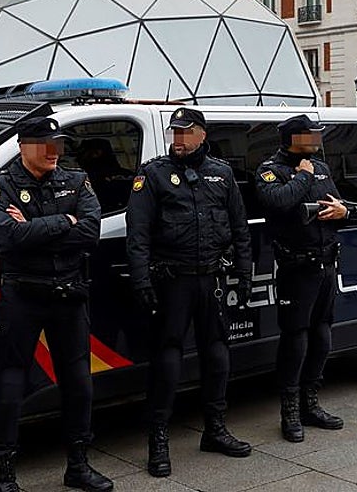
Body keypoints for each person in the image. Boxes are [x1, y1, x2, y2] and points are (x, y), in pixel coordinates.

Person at [0, 116, 112, 492]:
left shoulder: (75, 181)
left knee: (78, 384)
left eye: (57, 144)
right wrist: (64, 221)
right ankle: (4, 477)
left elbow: (90, 232)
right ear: (24, 147)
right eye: (45, 144)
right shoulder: (0, 187)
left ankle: (78, 465)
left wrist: (36, 228)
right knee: (10, 383)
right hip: (23, 296)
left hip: (69, 294)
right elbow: (8, 238)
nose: (54, 152)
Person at [126, 107, 253, 477]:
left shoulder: (222, 173)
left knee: (217, 355)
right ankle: (159, 440)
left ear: (202, 134)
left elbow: (239, 228)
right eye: (174, 133)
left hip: (211, 280)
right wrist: (141, 281)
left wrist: (244, 275)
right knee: (167, 360)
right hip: (173, 281)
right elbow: (138, 236)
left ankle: (215, 429)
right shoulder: (153, 175)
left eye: (185, 133)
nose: (178, 140)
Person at [255, 115, 351, 442]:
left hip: (326, 264)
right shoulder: (271, 170)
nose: (317, 139)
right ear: (294, 138)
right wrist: (301, 177)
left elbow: (338, 204)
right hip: (297, 268)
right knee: (295, 339)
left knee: (322, 336)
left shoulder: (320, 166)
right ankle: (290, 411)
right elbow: (278, 202)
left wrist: (344, 212)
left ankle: (311, 403)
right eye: (312, 135)